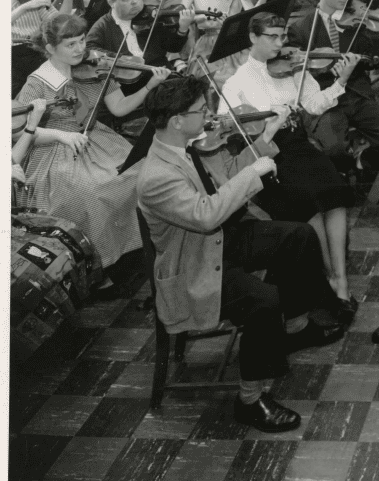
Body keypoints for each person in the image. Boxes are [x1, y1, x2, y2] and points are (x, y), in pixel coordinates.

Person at [137, 77, 347, 433]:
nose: (208, 117)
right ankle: (250, 400)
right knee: (263, 300)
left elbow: (228, 182)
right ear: (176, 120)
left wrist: (261, 142)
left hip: (220, 240)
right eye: (201, 111)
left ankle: (295, 327)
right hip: (194, 265)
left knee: (298, 235)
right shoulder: (156, 176)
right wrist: (252, 172)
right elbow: (206, 215)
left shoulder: (188, 147)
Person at [220, 12, 359, 314]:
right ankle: (326, 275)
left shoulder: (293, 68)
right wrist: (270, 124)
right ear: (253, 38)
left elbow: (313, 104)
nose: (279, 43)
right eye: (271, 36)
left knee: (334, 193)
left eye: (281, 36)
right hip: (265, 155)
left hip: (296, 144)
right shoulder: (236, 84)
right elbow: (233, 139)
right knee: (308, 201)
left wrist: (341, 81)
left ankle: (340, 278)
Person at [16, 13, 169, 271]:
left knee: (140, 172)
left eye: (82, 40)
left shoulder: (94, 70)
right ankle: (98, 265)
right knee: (91, 193)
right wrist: (61, 135)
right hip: (54, 149)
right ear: (51, 48)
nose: (81, 50)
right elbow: (19, 132)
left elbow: (119, 108)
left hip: (95, 138)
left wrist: (151, 85)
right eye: (71, 44)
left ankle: (137, 246)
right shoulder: (37, 82)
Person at [286, 0, 379, 178]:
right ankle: (343, 171)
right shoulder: (301, 29)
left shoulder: (353, 22)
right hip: (327, 101)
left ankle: (363, 163)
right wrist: (334, 75)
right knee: (335, 150)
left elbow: (369, 59)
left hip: (357, 94)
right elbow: (299, 73)